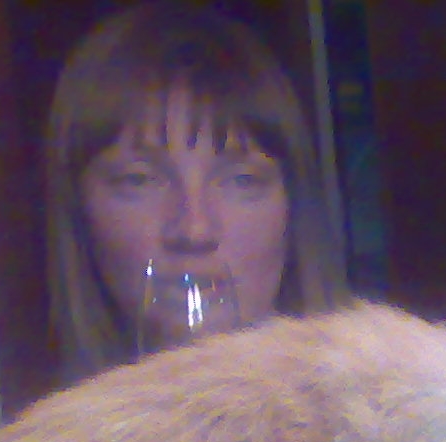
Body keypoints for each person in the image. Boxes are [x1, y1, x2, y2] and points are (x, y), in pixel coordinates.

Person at [44, 1, 348, 380]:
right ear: (79, 209)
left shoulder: (381, 412)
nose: (194, 230)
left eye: (241, 181)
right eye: (140, 180)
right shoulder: (50, 422)